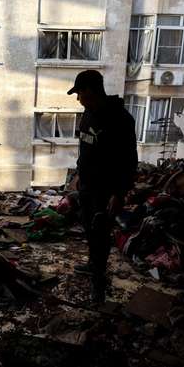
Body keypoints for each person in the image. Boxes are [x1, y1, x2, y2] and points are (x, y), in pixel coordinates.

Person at [67, 69, 137, 302]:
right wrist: (78, 173)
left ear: (90, 90)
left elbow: (129, 161)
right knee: (89, 230)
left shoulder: (121, 120)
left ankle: (99, 285)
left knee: (100, 237)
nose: (78, 99)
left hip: (106, 191)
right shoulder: (88, 114)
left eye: (80, 93)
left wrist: (119, 194)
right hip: (87, 186)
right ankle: (92, 266)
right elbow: (85, 148)